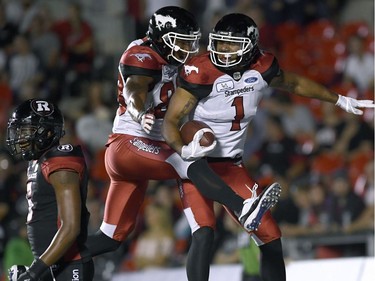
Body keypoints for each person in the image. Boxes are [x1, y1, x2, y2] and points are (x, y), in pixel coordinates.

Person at [161, 13, 375, 281]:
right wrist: (183, 150)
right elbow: (171, 120)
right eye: (220, 43)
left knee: (271, 238)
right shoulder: (200, 70)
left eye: (231, 45)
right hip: (198, 163)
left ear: (249, 47)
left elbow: (294, 83)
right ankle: (243, 207)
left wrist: (338, 100)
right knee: (204, 233)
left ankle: (246, 210)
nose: (222, 50)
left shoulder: (262, 66)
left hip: (231, 164)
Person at [85, 6, 279, 260]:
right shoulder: (142, 55)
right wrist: (140, 113)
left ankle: (40, 268)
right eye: (180, 42)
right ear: (160, 37)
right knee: (188, 161)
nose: (186, 49)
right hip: (130, 141)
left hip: (152, 146)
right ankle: (243, 207)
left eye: (190, 42)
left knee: (110, 238)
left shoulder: (182, 61)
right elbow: (135, 91)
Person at [6, 99, 93, 280]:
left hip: (70, 265)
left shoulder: (60, 161)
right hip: (51, 264)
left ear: (46, 132)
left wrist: (34, 272)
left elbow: (70, 228)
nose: (20, 138)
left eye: (26, 131)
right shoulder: (38, 162)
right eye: (19, 131)